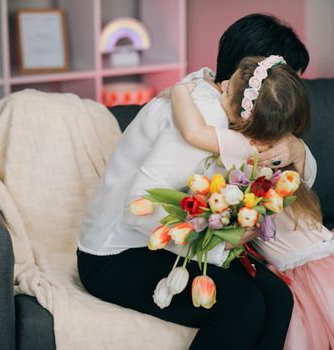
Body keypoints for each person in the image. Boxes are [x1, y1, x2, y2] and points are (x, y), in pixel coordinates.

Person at [169, 55, 334, 349]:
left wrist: (180, 90)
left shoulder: (246, 152)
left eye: (228, 89)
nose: (221, 87)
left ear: (244, 115)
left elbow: (194, 131)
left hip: (311, 274)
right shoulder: (278, 143)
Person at [77, 14, 312, 350]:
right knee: (242, 306)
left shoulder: (228, 102)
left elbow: (284, 168)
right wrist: (219, 245)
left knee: (277, 297)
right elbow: (139, 211)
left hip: (164, 243)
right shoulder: (202, 117)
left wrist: (295, 147)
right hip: (117, 254)